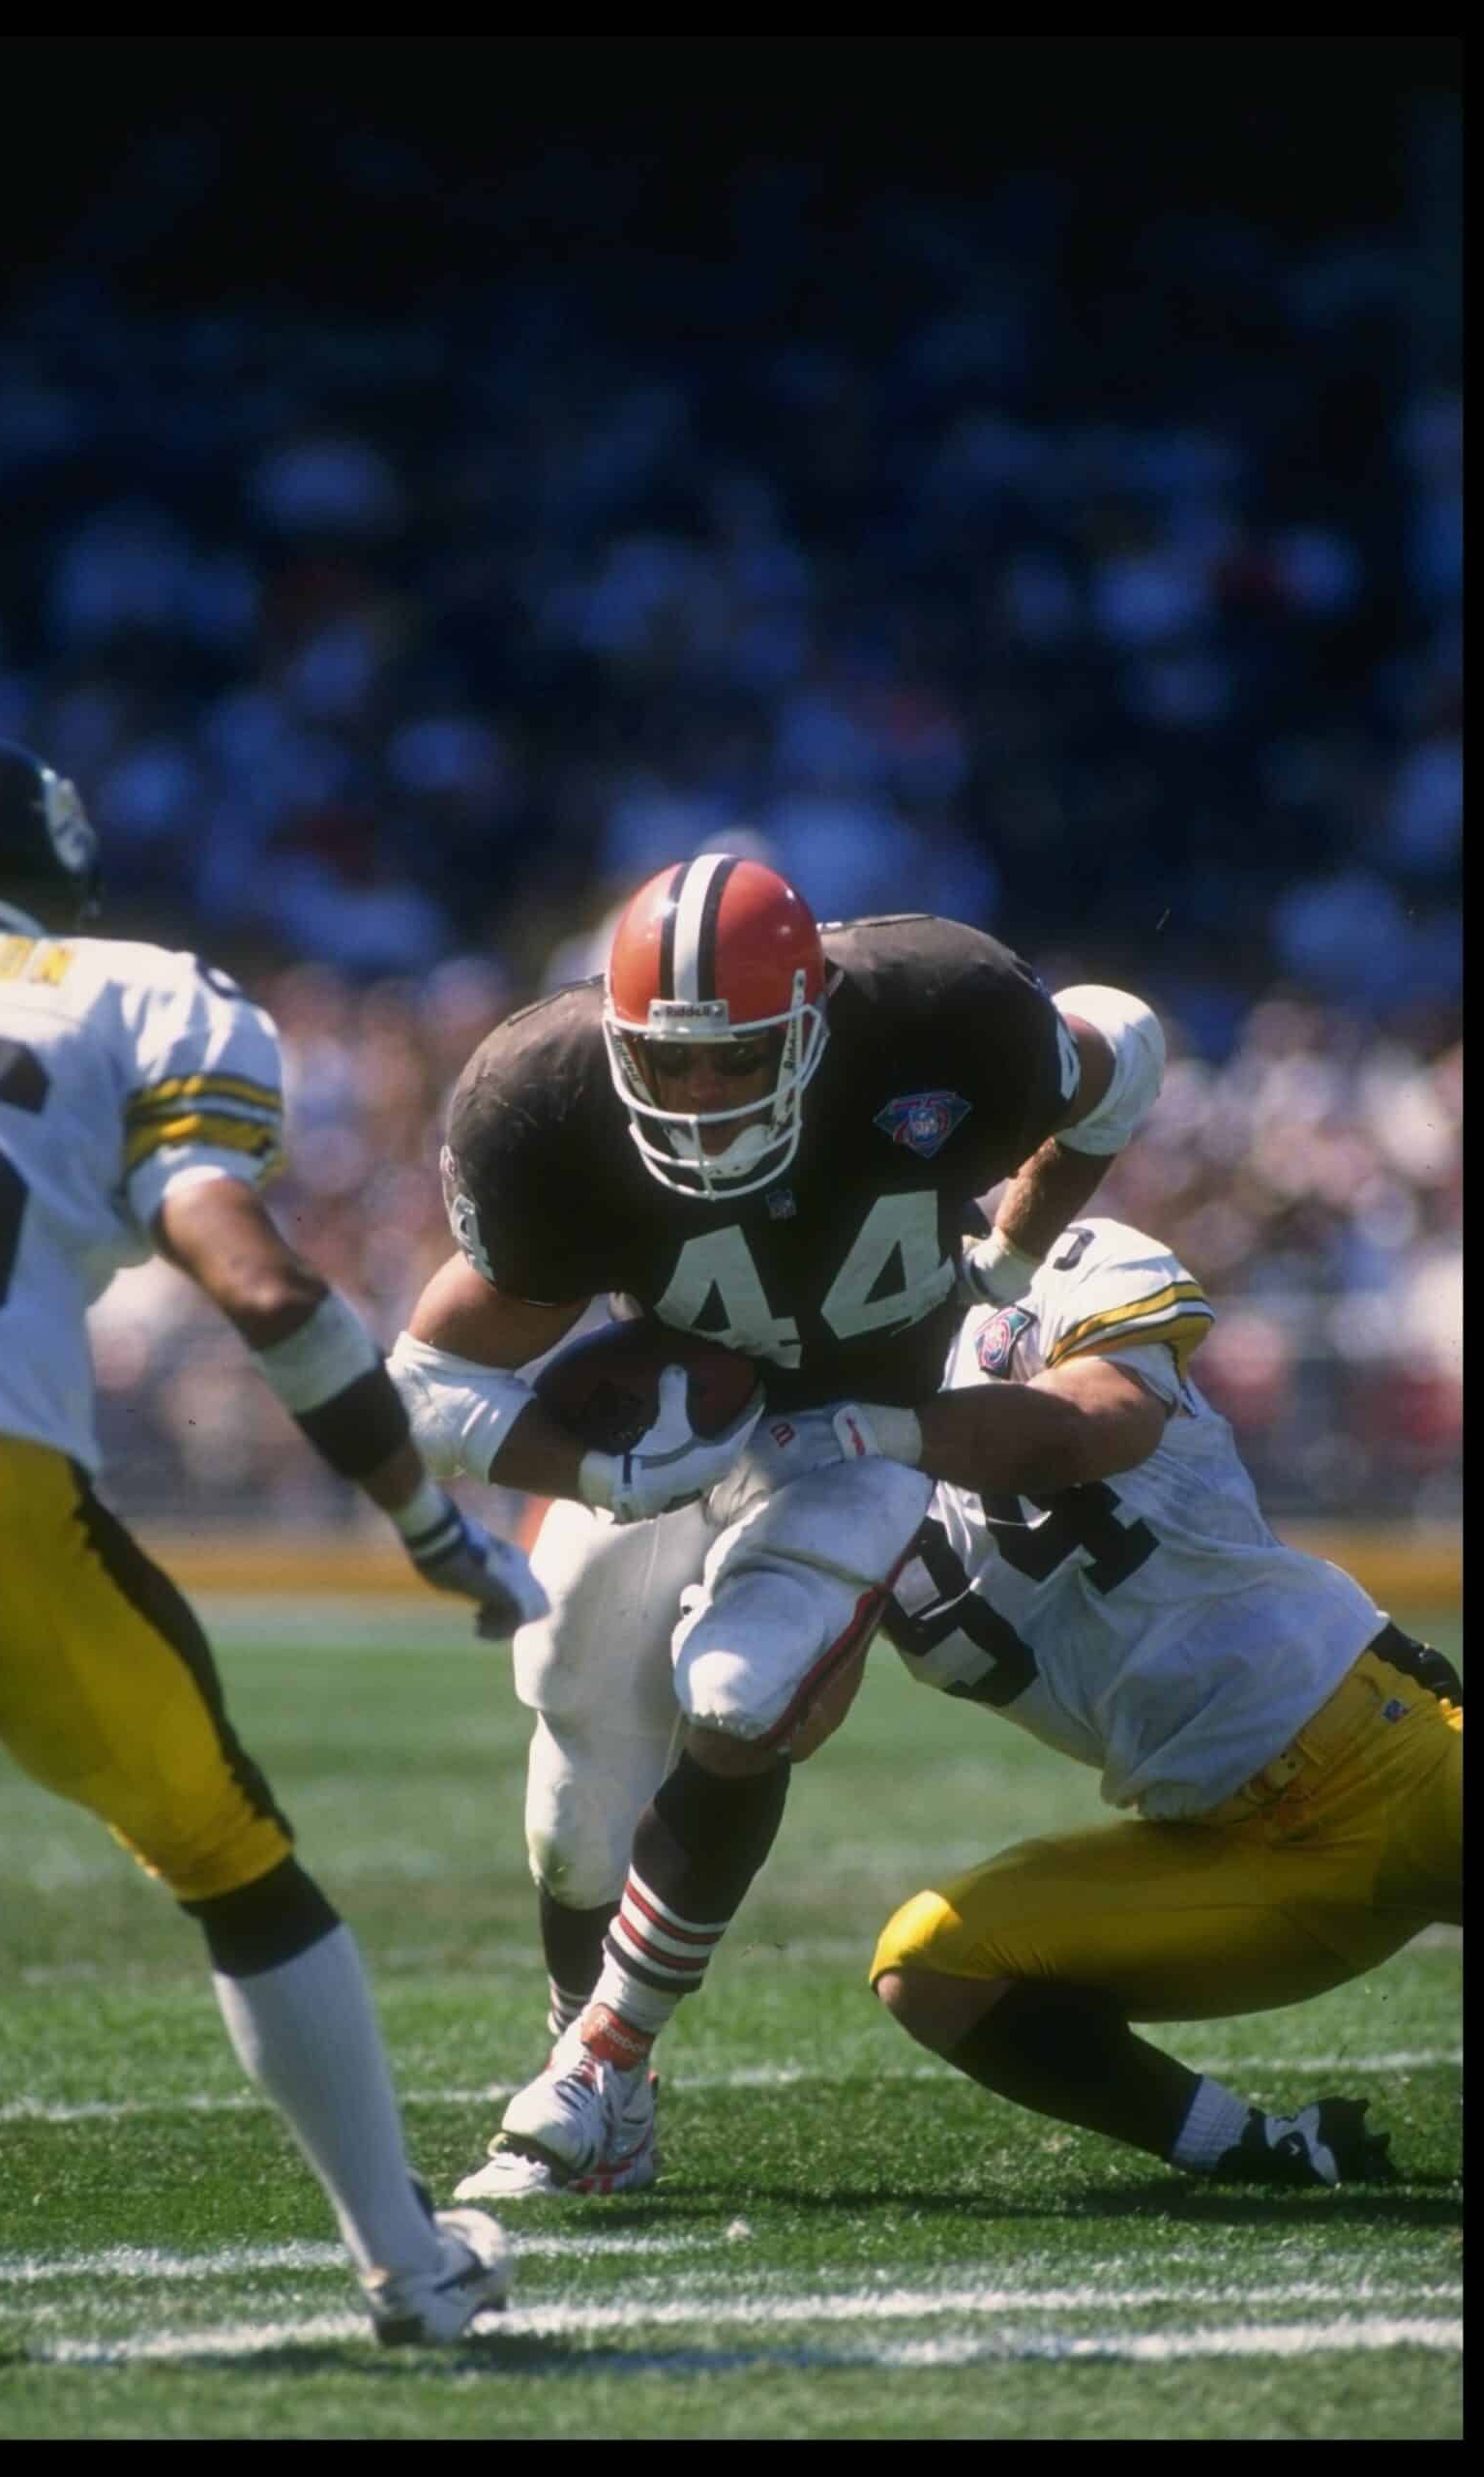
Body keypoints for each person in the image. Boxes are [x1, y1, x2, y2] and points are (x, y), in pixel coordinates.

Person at [0, 729, 545, 2357]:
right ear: (64, 879)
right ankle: (406, 2264)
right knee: (232, 1862)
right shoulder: (140, 991)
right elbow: (262, 1288)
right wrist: (425, 1518)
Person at [383, 850, 1167, 2197]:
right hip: (675, 1440)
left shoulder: (941, 1013)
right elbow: (426, 1382)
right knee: (573, 1776)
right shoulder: (545, 1098)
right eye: (666, 1062)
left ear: (809, 1025)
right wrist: (601, 1475)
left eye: (733, 1059)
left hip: (860, 1428)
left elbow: (1126, 1050)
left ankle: (592, 2073)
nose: (695, 1093)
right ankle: (600, 2083)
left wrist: (1008, 1263)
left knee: (741, 1698)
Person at [846, 1212, 1462, 2188]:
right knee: (931, 1965)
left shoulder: (1055, 1260)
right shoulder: (809, 1475)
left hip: (1384, 1743)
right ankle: (1255, 2148)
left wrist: (876, 1431)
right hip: (1229, 1848)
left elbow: (1101, 1421)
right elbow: (786, 1720)